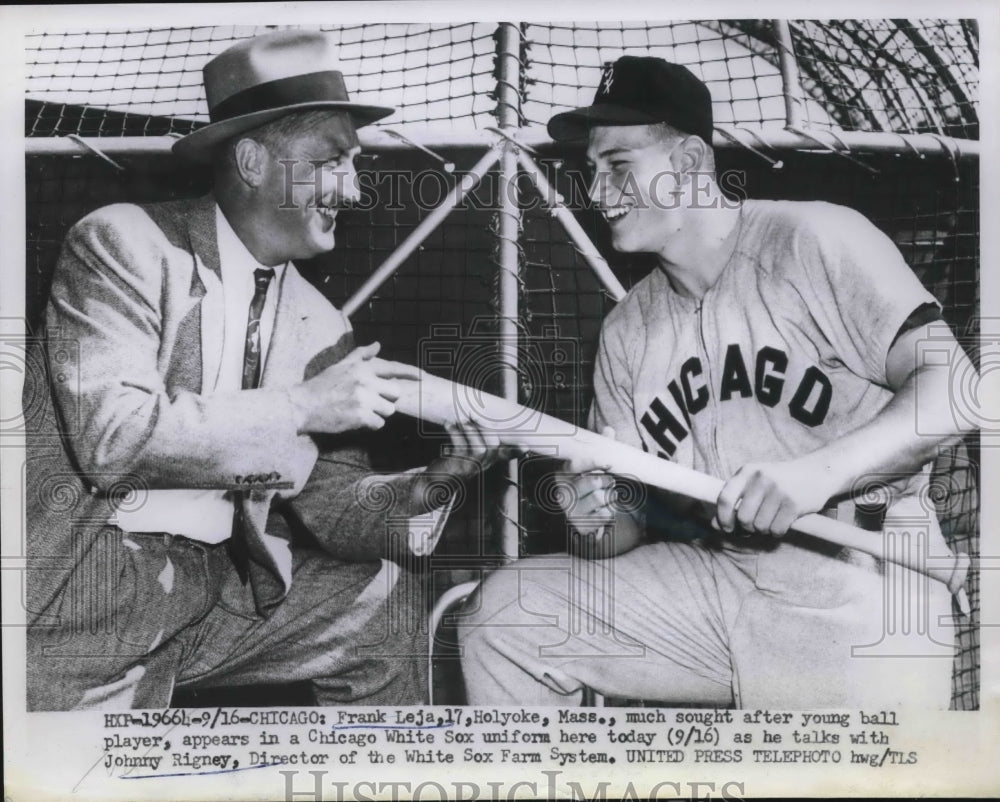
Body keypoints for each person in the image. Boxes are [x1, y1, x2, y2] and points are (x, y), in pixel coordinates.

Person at [458, 56, 976, 708]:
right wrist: (592, 516)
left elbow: (954, 387)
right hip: (719, 578)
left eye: (619, 165)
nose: (598, 192)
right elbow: (622, 531)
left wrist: (818, 474)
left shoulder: (813, 238)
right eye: (592, 172)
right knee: (509, 617)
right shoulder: (626, 331)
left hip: (864, 578)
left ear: (693, 162)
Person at [25, 30, 502, 711]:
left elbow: (338, 507)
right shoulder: (122, 242)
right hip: (82, 588)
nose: (354, 189)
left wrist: (439, 480)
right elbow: (114, 440)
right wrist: (303, 407)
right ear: (251, 160)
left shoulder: (320, 321)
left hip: (216, 593)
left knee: (380, 607)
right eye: (332, 162)